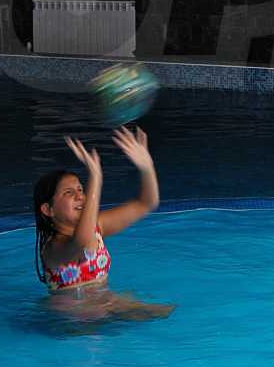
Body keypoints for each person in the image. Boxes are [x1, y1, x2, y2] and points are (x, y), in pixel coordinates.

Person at [32, 126, 171, 321]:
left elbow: (146, 203)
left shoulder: (97, 226)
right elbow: (81, 242)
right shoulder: (53, 248)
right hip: (71, 323)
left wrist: (147, 167)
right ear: (48, 210)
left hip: (104, 306)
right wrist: (96, 178)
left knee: (167, 313)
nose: (80, 196)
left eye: (81, 189)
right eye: (69, 193)